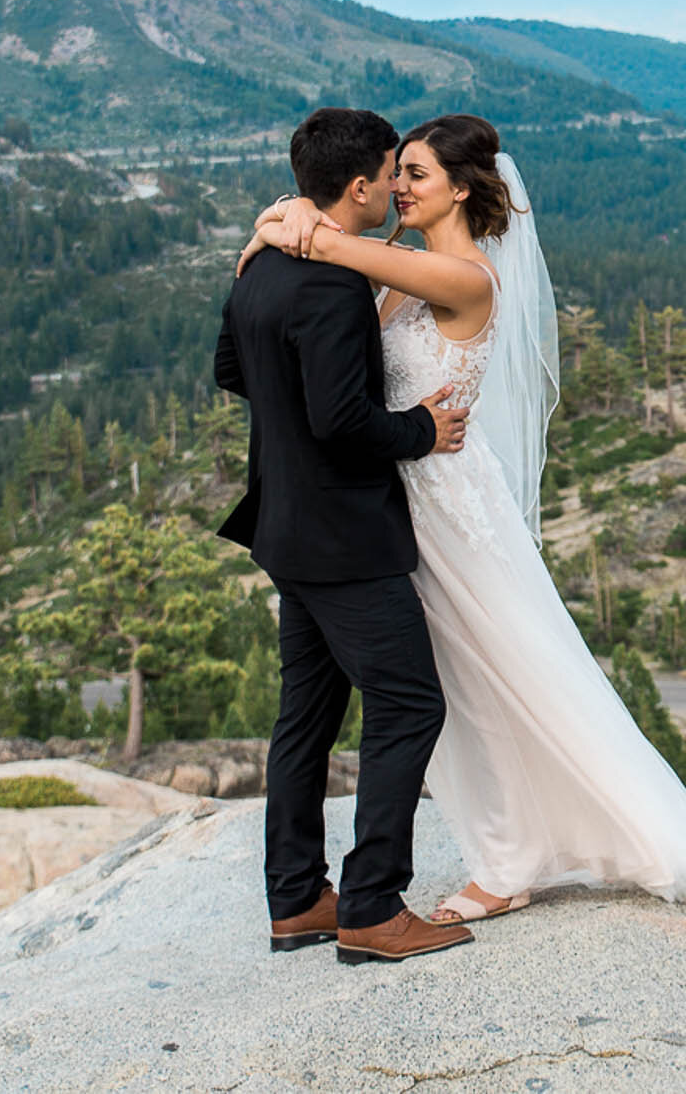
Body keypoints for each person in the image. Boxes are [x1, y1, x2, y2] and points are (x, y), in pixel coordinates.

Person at [240, 112, 686, 937]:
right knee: (439, 687)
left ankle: (513, 857)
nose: (401, 187)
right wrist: (290, 215)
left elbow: (336, 247)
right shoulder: (406, 267)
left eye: (416, 174)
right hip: (392, 501)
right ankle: (448, 862)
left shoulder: (469, 278)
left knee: (497, 673)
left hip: (443, 500)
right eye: (397, 172)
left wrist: (287, 220)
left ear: (460, 187)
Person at [213, 107, 477, 966]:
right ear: (359, 187)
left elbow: (230, 370)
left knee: (306, 719)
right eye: (388, 176)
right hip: (344, 539)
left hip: (286, 529)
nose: (395, 188)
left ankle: (296, 898)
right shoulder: (327, 283)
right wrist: (418, 431)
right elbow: (342, 420)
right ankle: (369, 903)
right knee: (409, 704)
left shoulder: (260, 267)